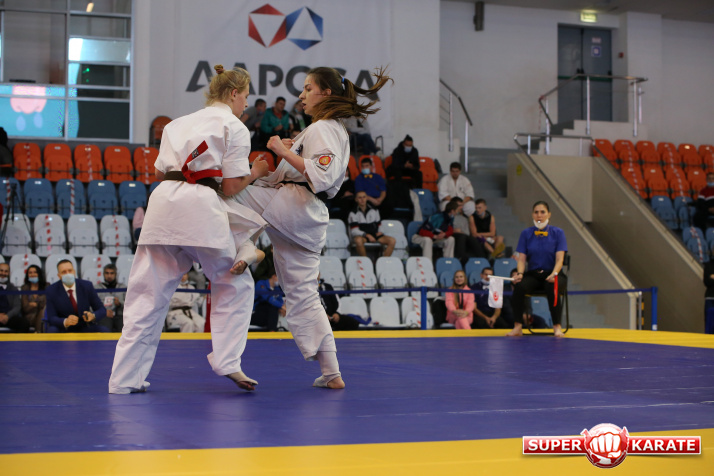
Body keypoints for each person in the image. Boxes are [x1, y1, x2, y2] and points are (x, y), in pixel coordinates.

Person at [109, 64, 270, 395]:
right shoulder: (234, 126)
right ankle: (228, 361)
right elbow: (230, 187)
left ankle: (123, 380)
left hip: (163, 205)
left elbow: (160, 173)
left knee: (147, 296)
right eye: (246, 96)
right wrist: (255, 172)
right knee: (234, 282)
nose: (246, 103)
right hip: (199, 207)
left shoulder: (175, 124)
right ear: (234, 93)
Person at [235, 66, 392, 389]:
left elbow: (321, 176)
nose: (301, 95)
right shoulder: (330, 130)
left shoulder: (323, 127)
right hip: (307, 217)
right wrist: (292, 151)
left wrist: (282, 151)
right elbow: (317, 170)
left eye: (308, 89)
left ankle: (247, 246)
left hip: (294, 204)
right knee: (304, 294)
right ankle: (332, 372)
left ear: (326, 93)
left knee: (227, 193)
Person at [507, 201, 568, 337]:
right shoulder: (526, 233)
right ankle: (517, 326)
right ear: (532, 214)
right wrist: (520, 273)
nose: (539, 215)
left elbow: (560, 260)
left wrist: (554, 273)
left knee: (552, 287)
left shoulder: (558, 233)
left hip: (554, 273)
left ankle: (557, 327)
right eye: (536, 212)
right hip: (533, 275)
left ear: (549, 214)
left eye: (542, 212)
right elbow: (521, 259)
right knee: (519, 287)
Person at [45, 259, 108, 333]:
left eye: (70, 270)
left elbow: (102, 309)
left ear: (74, 272)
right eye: (64, 272)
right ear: (59, 276)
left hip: (85, 326)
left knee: (104, 330)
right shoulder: (51, 290)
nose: (68, 274)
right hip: (64, 328)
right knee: (52, 330)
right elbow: (51, 317)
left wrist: (93, 316)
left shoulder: (87, 286)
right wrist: (65, 321)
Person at [348, 190, 396, 257]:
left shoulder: (374, 210)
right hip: (363, 236)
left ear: (367, 198)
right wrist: (367, 235)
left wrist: (380, 231)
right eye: (360, 197)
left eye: (364, 197)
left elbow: (379, 225)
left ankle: (382, 261)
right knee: (358, 240)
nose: (362, 199)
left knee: (392, 240)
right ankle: (365, 261)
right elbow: (354, 231)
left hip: (375, 234)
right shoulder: (353, 213)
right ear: (356, 199)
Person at [451, 197, 487, 262]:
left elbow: (467, 232)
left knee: (473, 239)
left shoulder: (464, 218)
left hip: (464, 236)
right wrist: (453, 230)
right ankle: (461, 258)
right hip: (452, 235)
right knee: (462, 237)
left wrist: (461, 232)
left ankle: (483, 260)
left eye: (461, 205)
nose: (461, 207)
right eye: (459, 206)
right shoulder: (449, 216)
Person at [95, 263, 125, 332]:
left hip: (120, 315)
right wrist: (104, 312)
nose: (109, 276)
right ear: (103, 274)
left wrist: (120, 304)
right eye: (107, 273)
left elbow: (129, 305)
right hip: (104, 316)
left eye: (112, 273)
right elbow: (94, 306)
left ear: (116, 274)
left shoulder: (123, 287)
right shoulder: (97, 288)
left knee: (124, 329)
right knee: (105, 329)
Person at [0, 262, 27, 333]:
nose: (3, 273)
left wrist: (7, 316)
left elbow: (17, 306)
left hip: (9, 317)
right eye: (1, 270)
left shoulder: (13, 289)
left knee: (24, 323)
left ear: (9, 273)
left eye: (6, 271)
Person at [21, 264, 47, 333]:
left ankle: (37, 333)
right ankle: (38, 333)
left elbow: (46, 304)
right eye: (30, 273)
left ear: (39, 274)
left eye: (35, 272)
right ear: (27, 275)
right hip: (30, 316)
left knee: (43, 312)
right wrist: (39, 304)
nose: (33, 274)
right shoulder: (25, 288)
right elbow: (25, 308)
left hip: (44, 315)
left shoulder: (46, 286)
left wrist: (33, 304)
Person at [704, 258, 714, 334]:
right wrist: (710, 278)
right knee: (709, 322)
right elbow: (706, 282)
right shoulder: (708, 265)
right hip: (710, 298)